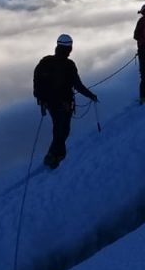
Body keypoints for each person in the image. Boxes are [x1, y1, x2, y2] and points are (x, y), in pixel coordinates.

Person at [33, 34, 98, 169]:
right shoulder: (69, 65)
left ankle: (54, 154)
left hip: (49, 103)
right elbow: (77, 85)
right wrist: (91, 95)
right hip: (64, 103)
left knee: (58, 128)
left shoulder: (45, 61)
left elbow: (37, 82)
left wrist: (41, 100)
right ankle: (55, 156)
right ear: (70, 48)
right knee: (63, 130)